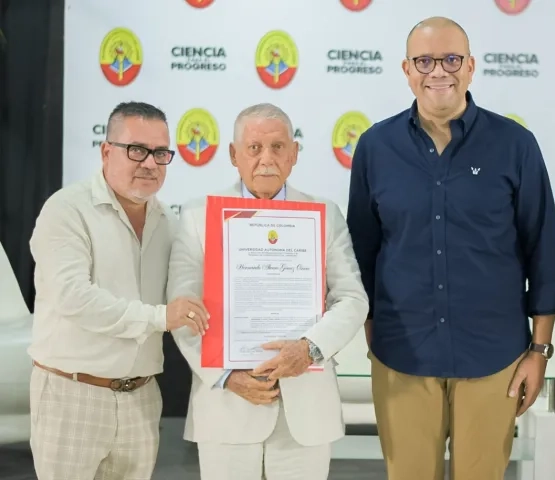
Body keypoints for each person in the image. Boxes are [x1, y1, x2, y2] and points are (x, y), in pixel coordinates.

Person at [347, 16, 555, 480]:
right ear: (407, 69)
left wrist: (539, 352)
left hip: (494, 359)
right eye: (425, 61)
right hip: (401, 356)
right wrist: (371, 327)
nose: (438, 71)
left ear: (471, 67)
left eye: (450, 59)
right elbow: (361, 250)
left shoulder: (515, 145)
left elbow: (542, 251)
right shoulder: (375, 146)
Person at [167, 103, 368, 480]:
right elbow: (182, 310)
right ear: (233, 154)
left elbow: (352, 299)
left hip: (306, 408)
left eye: (278, 147)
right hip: (226, 404)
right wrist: (226, 375)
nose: (266, 159)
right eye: (254, 148)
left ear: (294, 154)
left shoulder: (325, 213)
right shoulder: (197, 216)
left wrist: (308, 348)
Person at [27, 101, 209, 480]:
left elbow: (193, 296)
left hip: (142, 398)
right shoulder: (66, 210)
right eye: (136, 149)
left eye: (160, 153)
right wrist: (161, 316)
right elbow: (74, 297)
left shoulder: (171, 224)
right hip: (72, 394)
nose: (149, 163)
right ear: (106, 151)